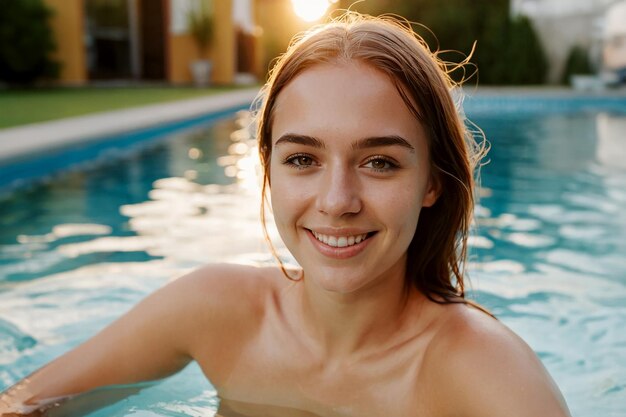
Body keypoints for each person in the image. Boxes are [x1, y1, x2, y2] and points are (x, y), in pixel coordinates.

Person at [1, 12, 570, 417]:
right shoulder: (216, 311)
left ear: (432, 183)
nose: (336, 200)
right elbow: (23, 406)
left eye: (379, 162)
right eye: (303, 158)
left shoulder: (486, 375)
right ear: (268, 170)